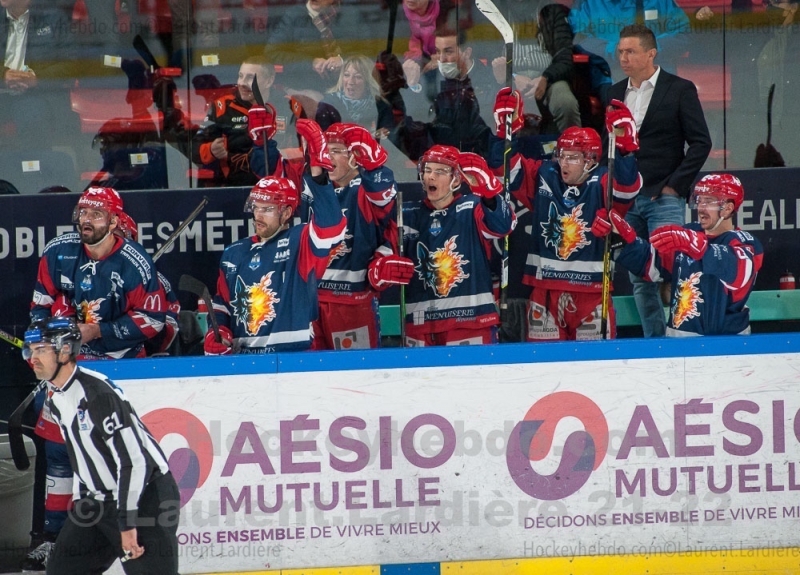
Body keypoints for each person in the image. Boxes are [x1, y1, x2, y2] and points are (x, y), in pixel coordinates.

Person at [22, 317, 179, 574]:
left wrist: (127, 524)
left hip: (145, 499)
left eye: (41, 350)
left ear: (64, 351)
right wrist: (80, 504)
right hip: (95, 503)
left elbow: (135, 461)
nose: (33, 358)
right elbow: (82, 459)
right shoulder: (56, 398)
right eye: (31, 351)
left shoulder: (98, 395)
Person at [489, 91, 641, 340]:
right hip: (545, 290)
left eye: (572, 157)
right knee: (544, 367)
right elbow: (503, 170)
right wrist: (505, 133)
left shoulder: (603, 179)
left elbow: (626, 188)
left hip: (592, 293)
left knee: (595, 367)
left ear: (591, 159)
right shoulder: (545, 174)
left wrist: (625, 151)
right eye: (561, 155)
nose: (563, 163)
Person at [204, 119, 347, 355]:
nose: (258, 215)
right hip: (244, 361)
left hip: (293, 359)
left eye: (268, 209)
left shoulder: (299, 242)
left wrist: (319, 176)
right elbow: (222, 304)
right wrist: (218, 332)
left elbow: (331, 227)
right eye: (256, 207)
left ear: (287, 213)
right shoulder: (234, 253)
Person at [609, 24, 711, 338]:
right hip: (625, 199)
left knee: (674, 270)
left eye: (631, 52)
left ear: (651, 53)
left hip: (663, 196)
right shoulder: (613, 93)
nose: (624, 58)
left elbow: (700, 142)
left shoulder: (679, 88)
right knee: (641, 276)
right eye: (621, 52)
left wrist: (674, 187)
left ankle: (680, 337)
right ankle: (655, 342)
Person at [299, 122, 413, 350]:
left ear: (354, 157)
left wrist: (373, 164)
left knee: (357, 374)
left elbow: (383, 194)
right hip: (309, 302)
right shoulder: (311, 186)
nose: (327, 156)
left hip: (350, 303)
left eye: (336, 151)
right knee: (309, 377)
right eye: (325, 150)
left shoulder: (365, 188)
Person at [614, 174, 764, 336]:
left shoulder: (745, 242)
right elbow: (654, 265)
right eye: (699, 200)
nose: (701, 208)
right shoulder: (689, 233)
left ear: (727, 208)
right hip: (678, 342)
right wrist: (626, 244)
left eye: (709, 201)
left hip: (725, 347)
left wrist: (701, 247)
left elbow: (739, 271)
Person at [30, 186, 167, 359]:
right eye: (83, 212)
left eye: (96, 214)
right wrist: (40, 338)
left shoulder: (135, 262)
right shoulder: (56, 252)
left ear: (113, 222)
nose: (87, 220)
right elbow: (40, 306)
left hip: (123, 358)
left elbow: (153, 320)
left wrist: (97, 331)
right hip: (70, 357)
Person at [402, 144, 516, 346]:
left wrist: (489, 193)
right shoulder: (409, 214)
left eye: (440, 171)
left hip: (470, 321)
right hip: (421, 326)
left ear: (456, 178)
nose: (431, 177)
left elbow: (503, 225)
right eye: (427, 170)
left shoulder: (473, 206)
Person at [391, 27, 494, 161]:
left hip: (480, 162)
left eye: (448, 51)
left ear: (467, 53)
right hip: (442, 164)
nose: (442, 59)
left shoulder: (490, 77)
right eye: (438, 52)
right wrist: (413, 86)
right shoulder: (430, 79)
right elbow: (417, 128)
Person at [491, 1, 581, 134]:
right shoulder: (496, 13)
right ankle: (503, 152)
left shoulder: (553, 12)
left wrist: (545, 78)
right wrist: (512, 77)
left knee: (566, 103)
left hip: (549, 78)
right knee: (499, 104)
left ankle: (572, 149)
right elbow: (487, 54)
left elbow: (564, 58)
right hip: (508, 79)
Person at [192, 56, 278, 187]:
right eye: (240, 76)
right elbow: (194, 147)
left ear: (269, 81)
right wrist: (210, 150)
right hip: (235, 188)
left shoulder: (286, 105)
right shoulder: (222, 107)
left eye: (250, 78)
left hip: (280, 187)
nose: (242, 83)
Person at [569, 0, 691, 73]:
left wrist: (648, 50)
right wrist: (616, 52)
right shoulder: (587, 3)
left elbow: (684, 33)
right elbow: (579, 38)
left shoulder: (660, 1)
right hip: (611, 74)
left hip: (658, 72)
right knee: (623, 110)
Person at [321, 55, 399, 138]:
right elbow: (323, 137)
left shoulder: (381, 106)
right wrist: (371, 135)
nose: (351, 82)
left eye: (358, 77)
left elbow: (389, 137)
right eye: (347, 75)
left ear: (368, 82)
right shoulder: (328, 104)